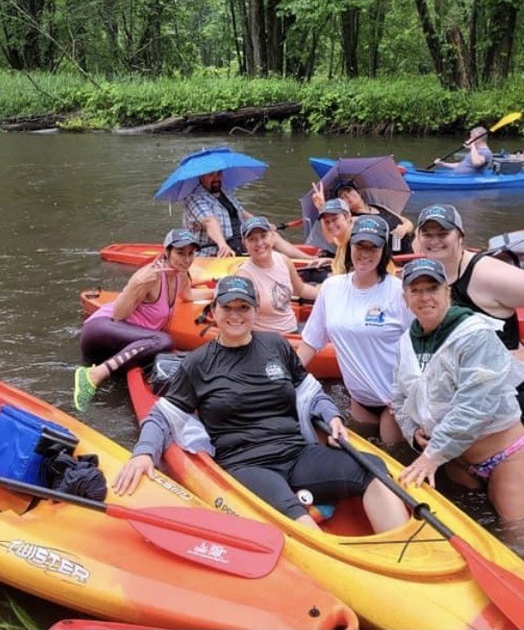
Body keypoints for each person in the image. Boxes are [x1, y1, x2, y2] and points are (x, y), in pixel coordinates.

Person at [112, 275, 410, 533]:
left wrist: (332, 417)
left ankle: (403, 553)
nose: (235, 315)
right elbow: (162, 416)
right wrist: (144, 454)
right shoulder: (197, 364)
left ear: (255, 311)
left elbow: (312, 393)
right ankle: (330, 554)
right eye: (227, 307)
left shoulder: (276, 346)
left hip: (296, 453)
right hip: (246, 463)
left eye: (243, 307)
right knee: (292, 515)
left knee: (372, 468)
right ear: (214, 311)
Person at [392, 258, 524, 526]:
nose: (425, 297)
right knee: (466, 525)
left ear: (447, 291)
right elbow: (399, 397)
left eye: (432, 288)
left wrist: (431, 456)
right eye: (415, 290)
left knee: (519, 537)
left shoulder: (475, 335)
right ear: (405, 298)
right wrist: (411, 431)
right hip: (455, 461)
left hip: (503, 456)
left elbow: (475, 406)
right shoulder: (406, 342)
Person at [411, 204, 524, 434]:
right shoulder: (429, 274)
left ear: (460, 236)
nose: (434, 240)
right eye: (427, 234)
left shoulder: (488, 275)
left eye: (443, 233)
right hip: (466, 393)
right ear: (418, 238)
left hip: (507, 397)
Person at [298, 215, 413, 445]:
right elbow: (310, 343)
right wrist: (279, 379)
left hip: (395, 401)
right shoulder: (331, 288)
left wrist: (411, 395)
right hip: (359, 399)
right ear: (350, 245)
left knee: (393, 454)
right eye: (360, 245)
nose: (365, 253)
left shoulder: (399, 293)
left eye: (373, 247)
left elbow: (422, 348)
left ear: (384, 251)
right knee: (360, 455)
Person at [73, 228, 198, 411]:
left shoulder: (181, 274)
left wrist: (219, 293)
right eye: (180, 253)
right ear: (166, 252)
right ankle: (93, 375)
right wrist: (136, 284)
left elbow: (188, 295)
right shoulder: (150, 277)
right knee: (163, 340)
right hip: (100, 330)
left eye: (191, 253)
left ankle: (108, 370)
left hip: (125, 344)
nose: (186, 259)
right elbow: (118, 315)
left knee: (168, 348)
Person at [183, 170, 313, 259]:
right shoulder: (194, 198)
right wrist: (222, 245)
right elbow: (209, 222)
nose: (216, 178)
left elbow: (242, 213)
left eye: (219, 174)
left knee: (271, 235)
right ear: (201, 177)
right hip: (214, 251)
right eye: (211, 175)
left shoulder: (225, 192)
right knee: (265, 250)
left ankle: (308, 259)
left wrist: (264, 225)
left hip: (239, 244)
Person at [236, 216, 319, 334]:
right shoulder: (244, 277)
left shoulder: (283, 260)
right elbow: (240, 317)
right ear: (245, 243)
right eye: (252, 239)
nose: (259, 243)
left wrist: (326, 293)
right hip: (268, 338)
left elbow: (300, 289)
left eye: (263, 236)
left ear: (273, 237)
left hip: (293, 329)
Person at [310, 180, 414, 254]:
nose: (348, 197)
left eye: (349, 191)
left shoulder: (378, 206)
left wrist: (404, 228)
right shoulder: (351, 219)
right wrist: (322, 208)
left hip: (411, 244)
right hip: (394, 256)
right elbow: (333, 237)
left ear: (358, 192)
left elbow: (407, 222)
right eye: (343, 197)